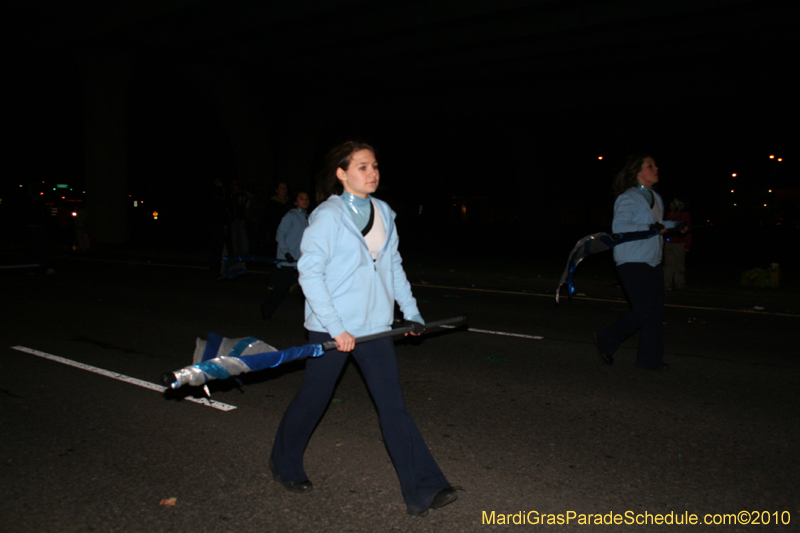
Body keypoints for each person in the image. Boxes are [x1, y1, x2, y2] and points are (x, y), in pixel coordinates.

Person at [270, 141, 458, 516]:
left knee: (393, 408)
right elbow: (310, 274)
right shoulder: (326, 216)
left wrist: (411, 312)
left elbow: (394, 267)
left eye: (374, 166)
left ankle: (425, 488)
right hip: (331, 328)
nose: (372, 172)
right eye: (362, 167)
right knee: (314, 399)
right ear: (341, 174)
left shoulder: (385, 213)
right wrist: (335, 327)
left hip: (374, 326)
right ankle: (283, 462)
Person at [593, 155, 687, 371]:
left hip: (652, 261)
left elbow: (657, 224)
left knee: (654, 313)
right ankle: (605, 338)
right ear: (637, 172)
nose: (656, 168)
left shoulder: (655, 197)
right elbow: (620, 227)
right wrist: (650, 228)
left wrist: (675, 225)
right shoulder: (628, 197)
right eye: (650, 166)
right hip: (631, 260)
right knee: (643, 310)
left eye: (655, 164)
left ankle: (649, 360)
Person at [260, 191, 310, 319]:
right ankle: (267, 309)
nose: (305, 201)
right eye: (301, 198)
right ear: (295, 202)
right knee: (282, 286)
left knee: (310, 285)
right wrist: (286, 253)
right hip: (288, 258)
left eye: (306, 198)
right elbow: (280, 235)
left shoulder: (308, 217)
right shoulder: (291, 216)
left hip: (300, 258)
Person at [663, 198, 691, 291]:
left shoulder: (684, 215)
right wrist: (663, 242)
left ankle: (679, 283)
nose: (671, 204)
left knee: (679, 264)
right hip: (669, 242)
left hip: (680, 243)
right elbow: (665, 229)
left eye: (673, 203)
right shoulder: (669, 214)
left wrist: (687, 245)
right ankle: (667, 283)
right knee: (668, 263)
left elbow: (688, 230)